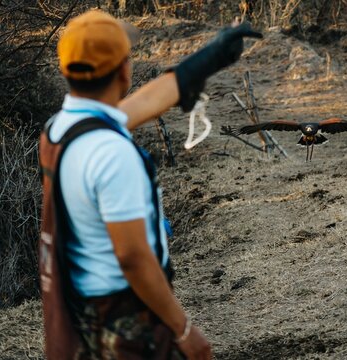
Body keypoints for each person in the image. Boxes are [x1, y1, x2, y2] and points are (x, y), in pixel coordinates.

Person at [38, 9, 261, 360]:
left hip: (84, 311)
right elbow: (132, 257)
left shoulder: (61, 129)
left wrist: (209, 58)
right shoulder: (112, 152)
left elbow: (134, 108)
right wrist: (183, 329)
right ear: (124, 70)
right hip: (126, 323)